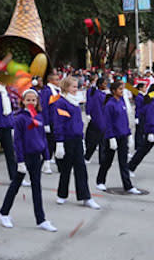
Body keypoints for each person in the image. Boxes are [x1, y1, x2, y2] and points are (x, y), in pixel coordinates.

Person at [0, 88, 56, 232]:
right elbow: (17, 141)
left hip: (37, 157)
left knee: (37, 187)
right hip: (25, 157)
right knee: (15, 186)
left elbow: (43, 138)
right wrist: (20, 161)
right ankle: (4, 212)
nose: (31, 102)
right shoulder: (20, 119)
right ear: (23, 102)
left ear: (37, 102)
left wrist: (47, 157)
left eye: (33, 100)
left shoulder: (40, 117)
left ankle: (41, 219)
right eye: (28, 100)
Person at [51, 77, 99, 209]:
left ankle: (85, 197)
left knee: (81, 169)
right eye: (73, 87)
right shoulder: (60, 102)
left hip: (77, 139)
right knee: (66, 169)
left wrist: (82, 139)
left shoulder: (75, 102)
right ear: (66, 87)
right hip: (66, 139)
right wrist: (59, 142)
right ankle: (62, 194)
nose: (76, 89)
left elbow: (78, 122)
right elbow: (59, 123)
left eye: (77, 87)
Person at [95, 81, 140, 194]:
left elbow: (125, 120)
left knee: (123, 162)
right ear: (114, 91)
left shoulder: (122, 102)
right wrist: (111, 137)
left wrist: (129, 134)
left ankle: (128, 186)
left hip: (123, 135)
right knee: (107, 161)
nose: (122, 91)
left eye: (123, 89)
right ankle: (100, 181)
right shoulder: (109, 104)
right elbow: (108, 123)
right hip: (113, 137)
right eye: (120, 89)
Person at [38, 69, 61, 174]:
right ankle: (45, 163)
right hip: (50, 121)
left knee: (55, 143)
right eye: (56, 79)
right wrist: (46, 123)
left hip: (57, 121)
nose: (58, 81)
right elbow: (45, 107)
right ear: (50, 80)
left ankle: (58, 164)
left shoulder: (57, 91)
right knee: (49, 144)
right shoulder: (47, 91)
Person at [84, 75, 107, 161]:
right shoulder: (98, 95)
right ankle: (87, 156)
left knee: (101, 141)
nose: (106, 85)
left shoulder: (101, 94)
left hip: (101, 119)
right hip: (99, 119)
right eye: (104, 84)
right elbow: (97, 108)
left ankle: (102, 159)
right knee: (96, 140)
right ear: (100, 84)